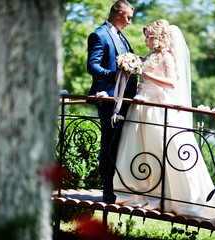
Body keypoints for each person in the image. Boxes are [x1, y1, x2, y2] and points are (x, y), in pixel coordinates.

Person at [113, 20, 215, 223]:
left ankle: (169, 194)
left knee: (159, 147)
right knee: (139, 148)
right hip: (141, 104)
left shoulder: (167, 57)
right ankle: (140, 190)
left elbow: (172, 82)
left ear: (157, 38)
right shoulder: (150, 56)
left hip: (156, 105)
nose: (145, 40)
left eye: (148, 37)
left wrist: (145, 73)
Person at [87, 0, 137, 203]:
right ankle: (107, 190)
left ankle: (120, 186)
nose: (129, 23)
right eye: (128, 18)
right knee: (109, 144)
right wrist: (114, 76)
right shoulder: (99, 35)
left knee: (120, 145)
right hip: (108, 100)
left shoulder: (120, 35)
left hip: (126, 100)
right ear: (118, 14)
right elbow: (92, 66)